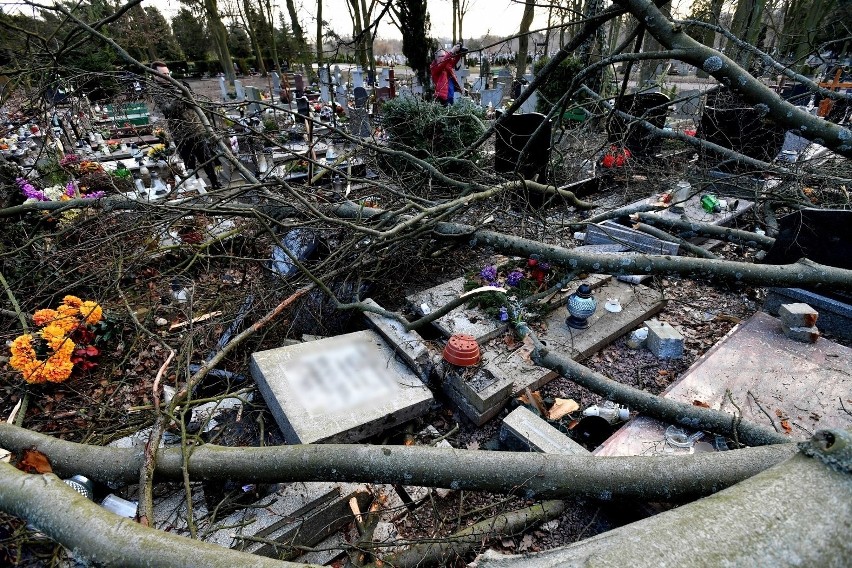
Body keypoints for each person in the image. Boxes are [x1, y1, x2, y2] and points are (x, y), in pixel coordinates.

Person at [149, 61, 222, 189]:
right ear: (156, 76)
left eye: (168, 73)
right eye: (164, 74)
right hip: (180, 132)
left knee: (206, 158)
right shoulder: (157, 91)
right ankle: (197, 187)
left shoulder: (178, 85)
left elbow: (192, 104)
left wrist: (188, 94)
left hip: (195, 127)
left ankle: (215, 182)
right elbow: (168, 111)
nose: (168, 77)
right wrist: (180, 95)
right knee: (189, 163)